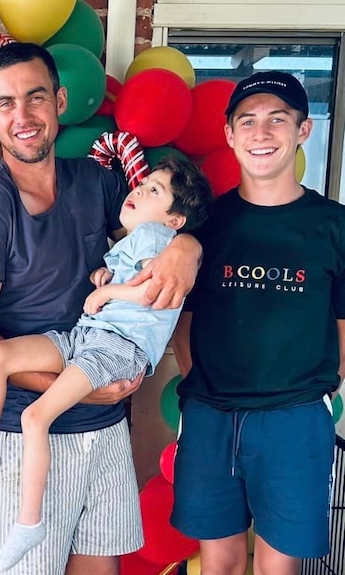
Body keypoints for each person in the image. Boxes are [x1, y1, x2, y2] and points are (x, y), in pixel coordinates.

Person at [0, 42, 203, 575]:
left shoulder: (97, 182)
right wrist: (64, 383)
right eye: (7, 103)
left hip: (105, 429)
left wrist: (187, 248)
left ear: (59, 101)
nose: (24, 115)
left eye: (36, 97)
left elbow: (161, 221)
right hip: (28, 436)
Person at [170, 71, 345, 575]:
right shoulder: (204, 227)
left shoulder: (334, 227)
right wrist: (197, 379)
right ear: (229, 135)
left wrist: (325, 389)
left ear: (303, 131)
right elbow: (184, 315)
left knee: (278, 568)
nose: (261, 133)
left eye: (277, 120)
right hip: (210, 414)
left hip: (293, 417)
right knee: (217, 563)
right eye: (247, 121)